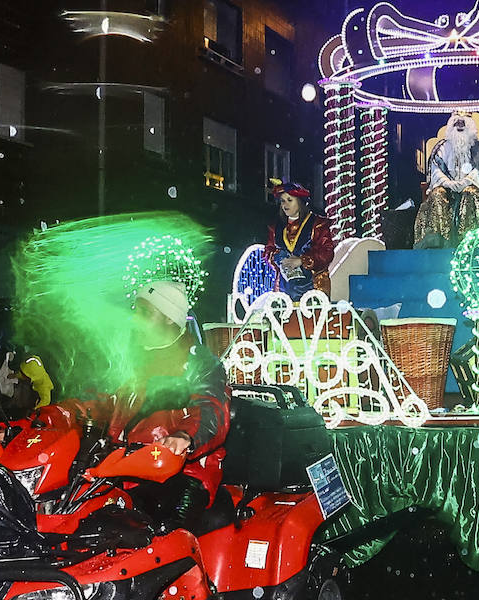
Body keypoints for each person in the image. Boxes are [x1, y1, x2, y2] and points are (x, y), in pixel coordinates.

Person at [51, 279, 232, 530]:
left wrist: (184, 437)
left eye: (145, 312)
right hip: (118, 467)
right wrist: (51, 417)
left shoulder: (200, 364)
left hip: (182, 472)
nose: (135, 319)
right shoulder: (129, 360)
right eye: (135, 311)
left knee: (163, 536)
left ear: (170, 317)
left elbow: (210, 409)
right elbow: (95, 399)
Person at [414, 109, 479, 248]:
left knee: (470, 193)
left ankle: (469, 240)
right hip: (447, 188)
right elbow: (436, 169)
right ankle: (439, 240)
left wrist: (464, 182)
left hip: (470, 186)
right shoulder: (442, 146)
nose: (460, 125)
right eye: (457, 122)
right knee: (437, 194)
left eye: (463, 123)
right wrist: (448, 183)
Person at [263, 179, 334, 298]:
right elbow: (268, 250)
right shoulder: (275, 228)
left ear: (301, 202)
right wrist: (277, 257)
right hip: (284, 289)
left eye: (290, 200)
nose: (285, 205)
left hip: (314, 287)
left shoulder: (317, 224)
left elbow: (327, 252)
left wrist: (302, 260)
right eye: (282, 201)